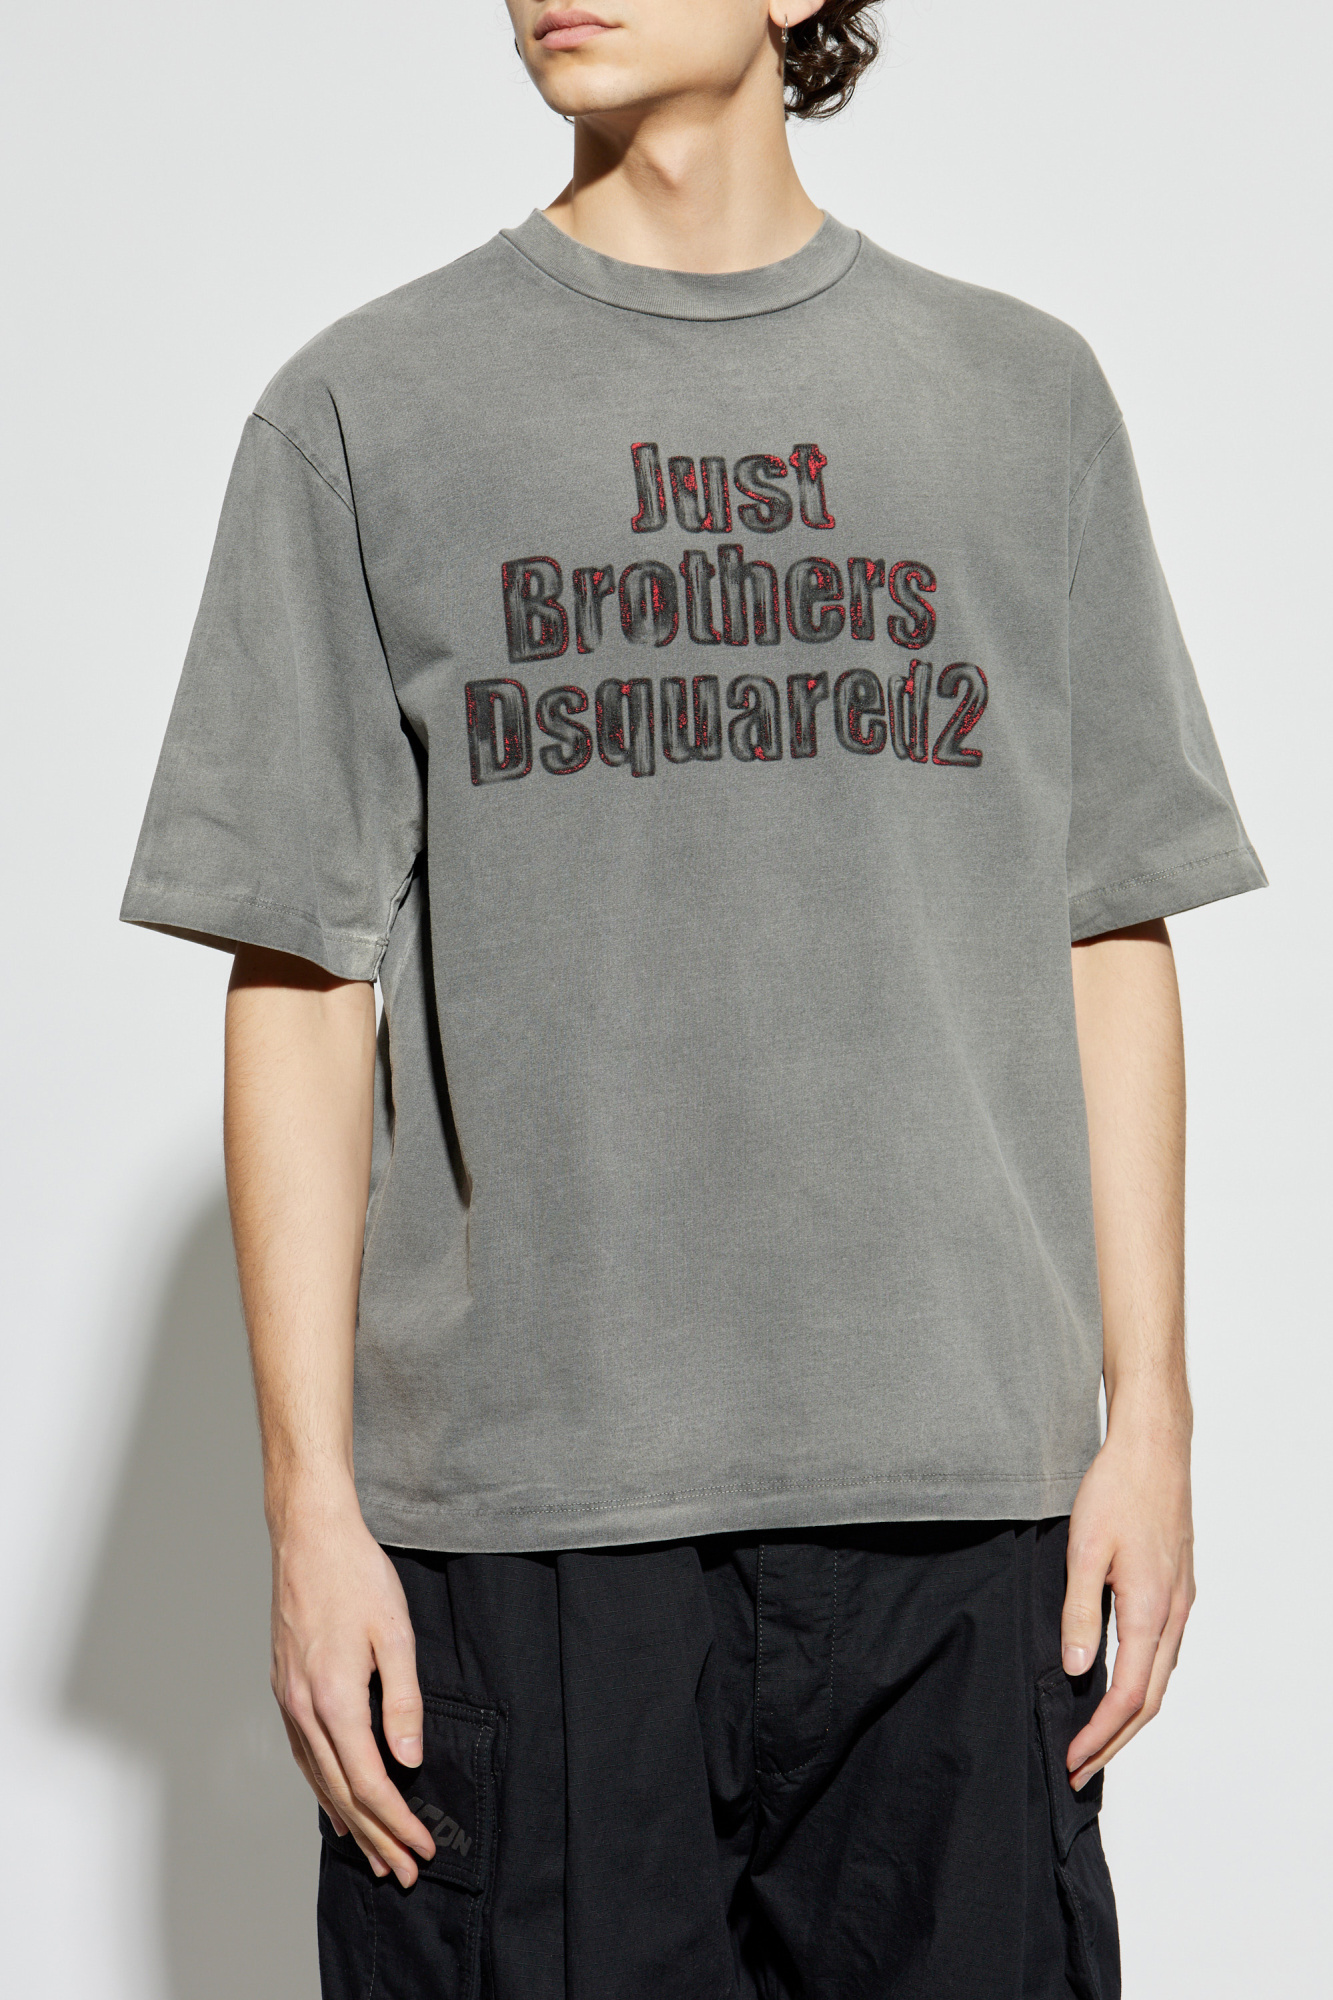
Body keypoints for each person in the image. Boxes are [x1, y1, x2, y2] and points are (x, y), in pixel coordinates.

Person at [120, 3, 1266, 1994]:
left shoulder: (1022, 400)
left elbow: (1107, 926)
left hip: (959, 1507)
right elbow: (298, 974)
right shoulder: (366, 410)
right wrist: (309, 1511)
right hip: (522, 1532)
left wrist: (1149, 1419)